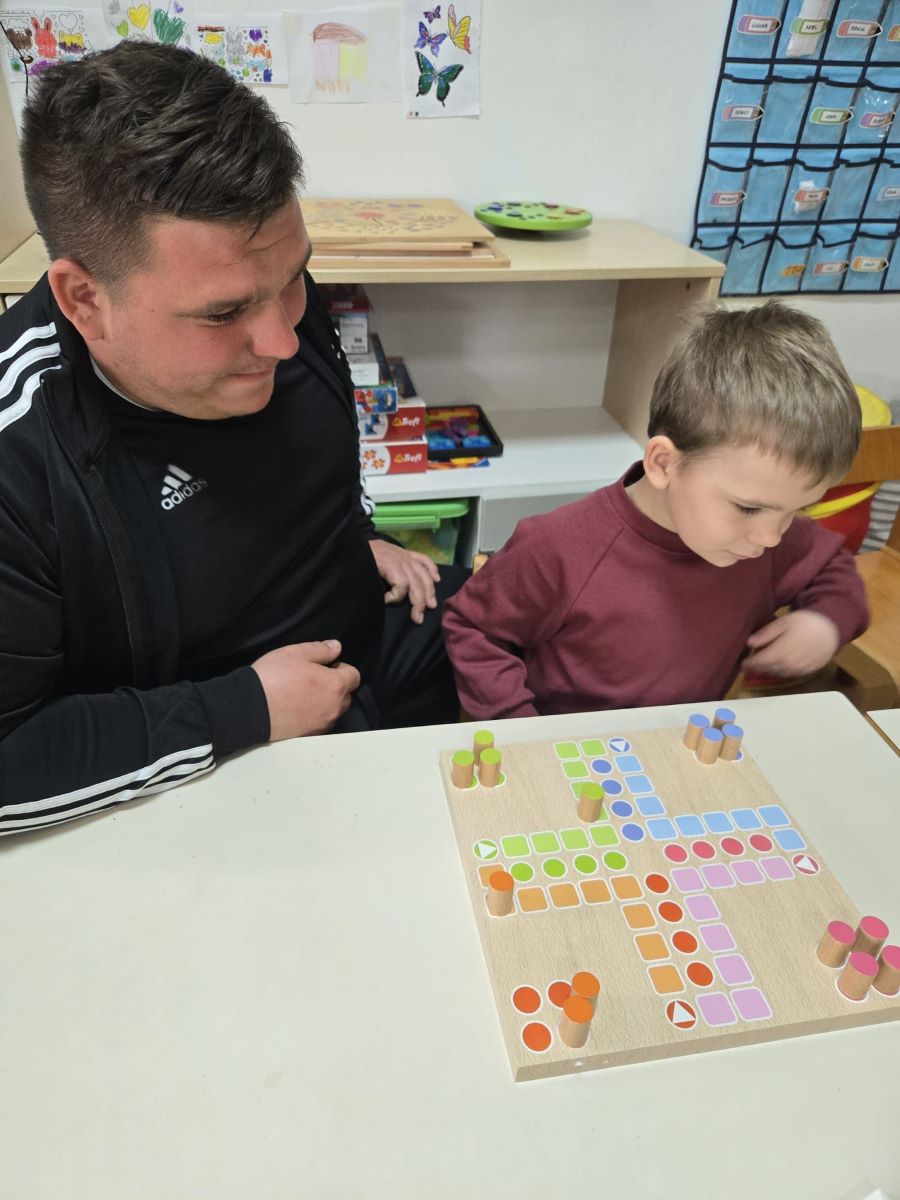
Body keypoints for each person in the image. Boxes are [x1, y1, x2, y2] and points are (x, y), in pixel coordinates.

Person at [0, 42, 465, 833]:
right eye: (223, 314)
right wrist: (240, 710)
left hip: (370, 647)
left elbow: (307, 457)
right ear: (84, 300)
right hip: (221, 762)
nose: (282, 340)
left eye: (292, 279)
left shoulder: (267, 285)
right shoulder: (21, 454)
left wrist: (359, 533)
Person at [443, 301, 869, 719]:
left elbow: (831, 566)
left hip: (681, 740)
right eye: (747, 508)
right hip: (567, 746)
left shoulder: (767, 537)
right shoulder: (558, 547)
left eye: (797, 510)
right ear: (664, 463)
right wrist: (519, 727)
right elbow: (473, 628)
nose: (771, 538)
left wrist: (825, 622)